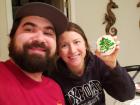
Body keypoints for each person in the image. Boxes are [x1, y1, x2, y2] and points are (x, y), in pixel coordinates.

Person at [49, 22, 136, 105]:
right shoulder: (53, 77)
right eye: (64, 45)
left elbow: (127, 95)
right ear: (58, 51)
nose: (72, 50)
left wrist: (113, 65)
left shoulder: (97, 63)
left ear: (85, 44)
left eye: (77, 42)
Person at [0, 2, 68, 105]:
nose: (40, 39)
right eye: (29, 29)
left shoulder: (56, 89)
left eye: (48, 33)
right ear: (11, 38)